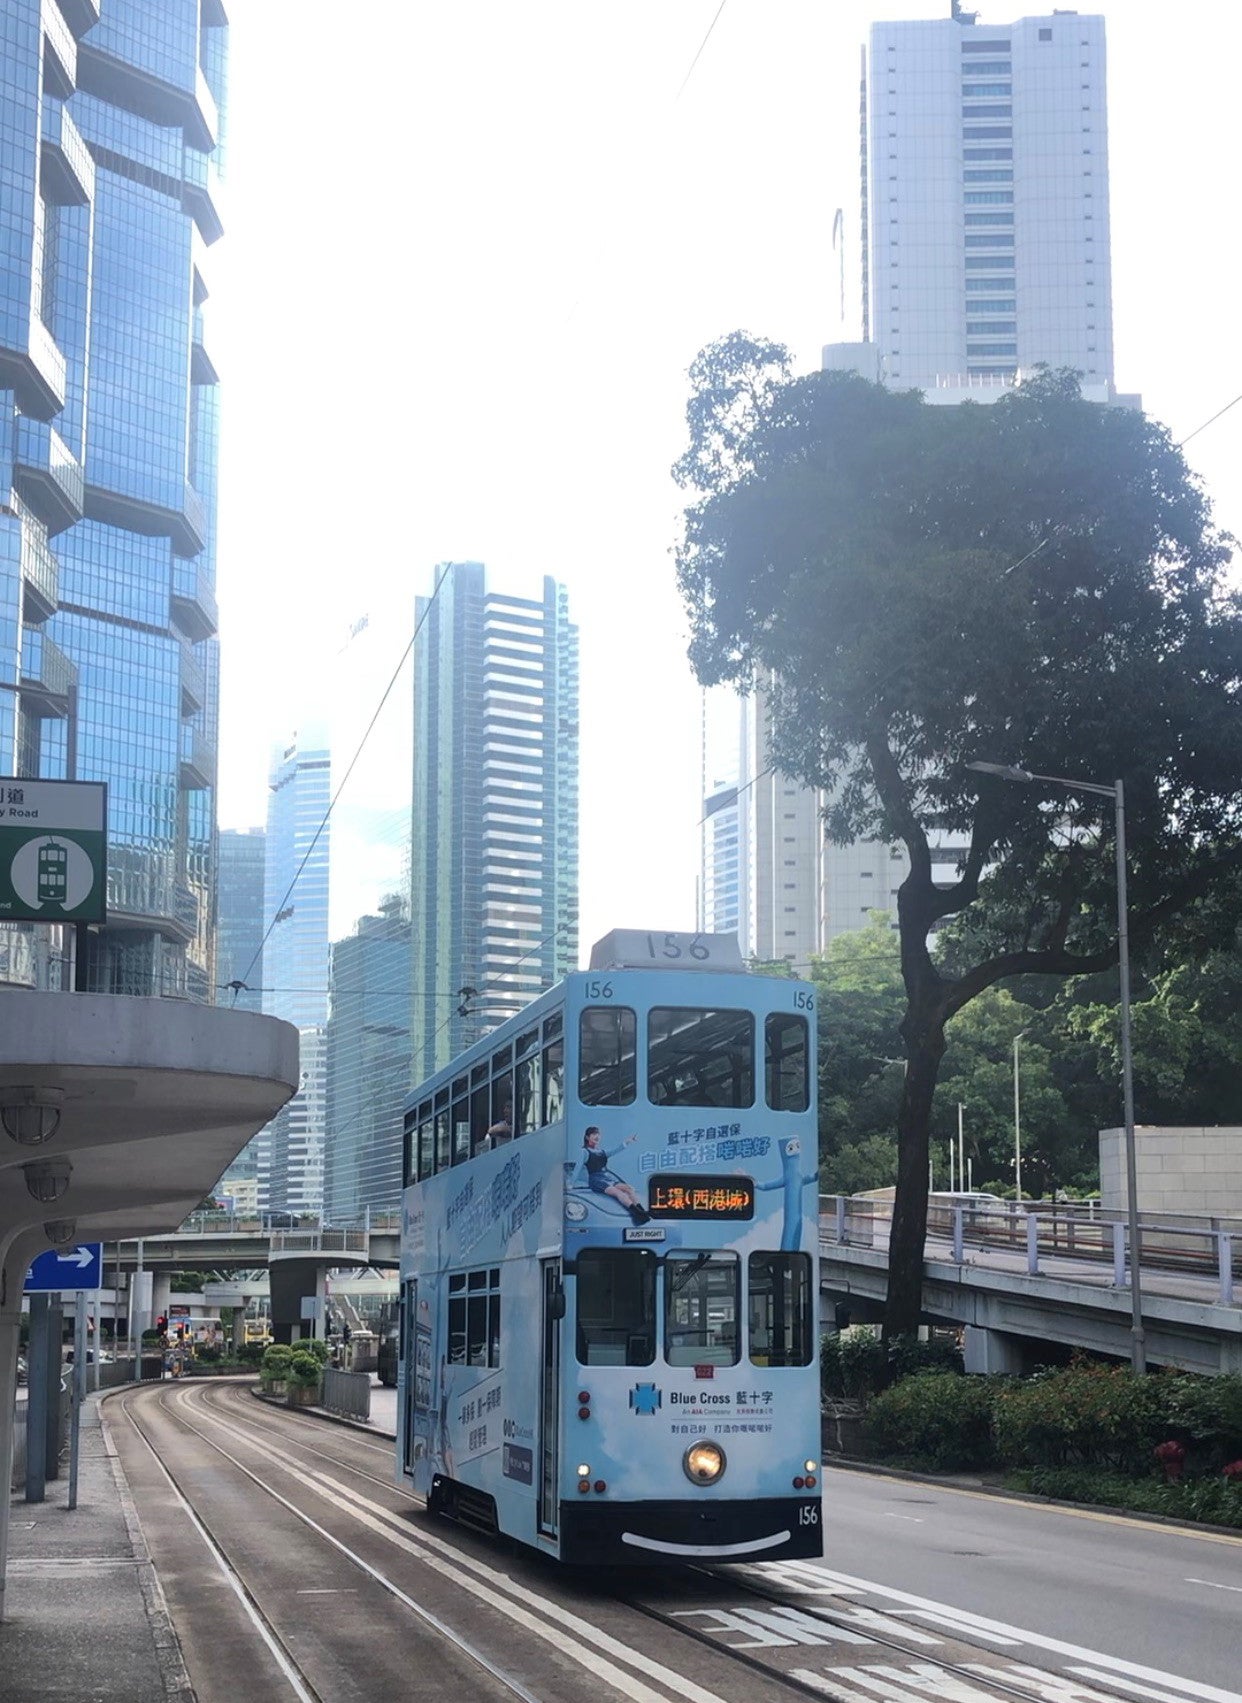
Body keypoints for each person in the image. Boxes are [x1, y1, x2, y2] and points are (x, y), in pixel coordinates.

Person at [583, 1126, 650, 1224]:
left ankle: (641, 1212)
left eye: (598, 1134)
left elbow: (616, 1150)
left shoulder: (602, 1152)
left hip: (607, 1178)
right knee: (619, 1193)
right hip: (596, 1180)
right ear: (587, 1137)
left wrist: (627, 1141)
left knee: (629, 1189)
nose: (597, 1136)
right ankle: (639, 1214)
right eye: (594, 1134)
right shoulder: (584, 1151)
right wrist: (570, 1183)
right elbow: (578, 1167)